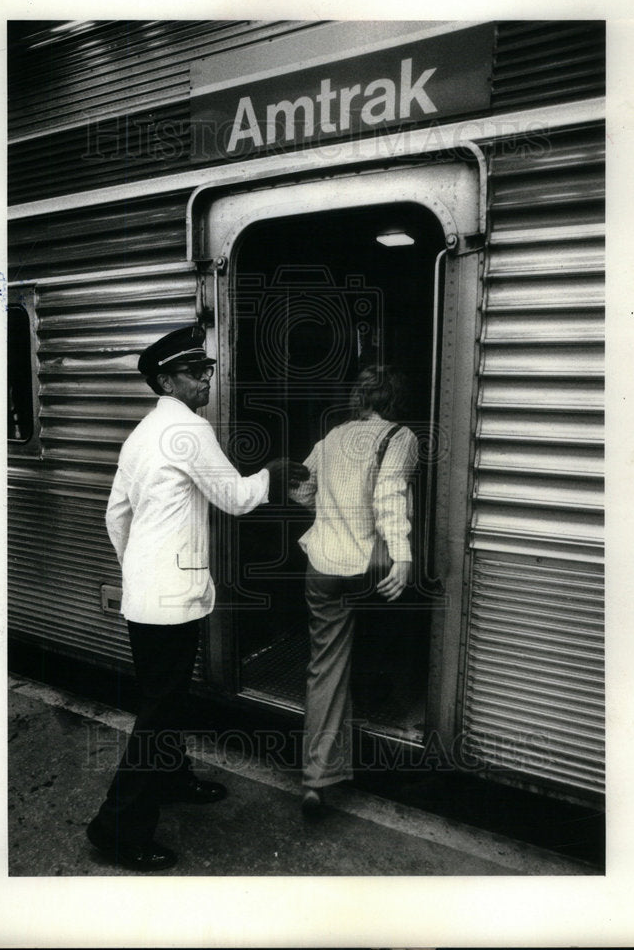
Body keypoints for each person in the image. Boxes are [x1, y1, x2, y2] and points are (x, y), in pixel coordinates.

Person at [86, 323, 307, 870]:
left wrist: (138, 568)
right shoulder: (188, 429)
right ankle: (116, 828)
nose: (206, 380)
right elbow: (234, 497)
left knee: (166, 697)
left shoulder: (141, 434)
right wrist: (273, 475)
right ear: (166, 380)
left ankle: (174, 777)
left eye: (207, 370)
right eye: (193, 372)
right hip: (171, 598)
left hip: (147, 595)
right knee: (160, 710)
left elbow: (115, 514)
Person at [290, 366, 419, 817]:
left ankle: (316, 778)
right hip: (369, 566)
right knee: (393, 634)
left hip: (322, 565)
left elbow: (301, 489)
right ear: (394, 399)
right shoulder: (400, 437)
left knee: (325, 664)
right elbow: (390, 497)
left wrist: (330, 511)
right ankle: (395, 724)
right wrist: (402, 556)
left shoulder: (331, 439)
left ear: (358, 398)